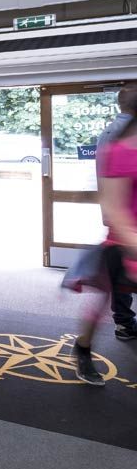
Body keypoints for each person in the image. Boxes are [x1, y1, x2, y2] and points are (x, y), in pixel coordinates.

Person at [74, 87, 137, 384]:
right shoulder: (118, 147)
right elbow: (113, 201)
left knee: (111, 297)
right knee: (104, 300)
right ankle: (83, 347)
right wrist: (128, 238)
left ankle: (122, 324)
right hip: (124, 239)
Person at [96, 84, 137, 340]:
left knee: (119, 278)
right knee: (122, 274)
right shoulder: (124, 136)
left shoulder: (107, 133)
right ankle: (122, 323)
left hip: (117, 215)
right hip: (127, 219)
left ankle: (123, 323)